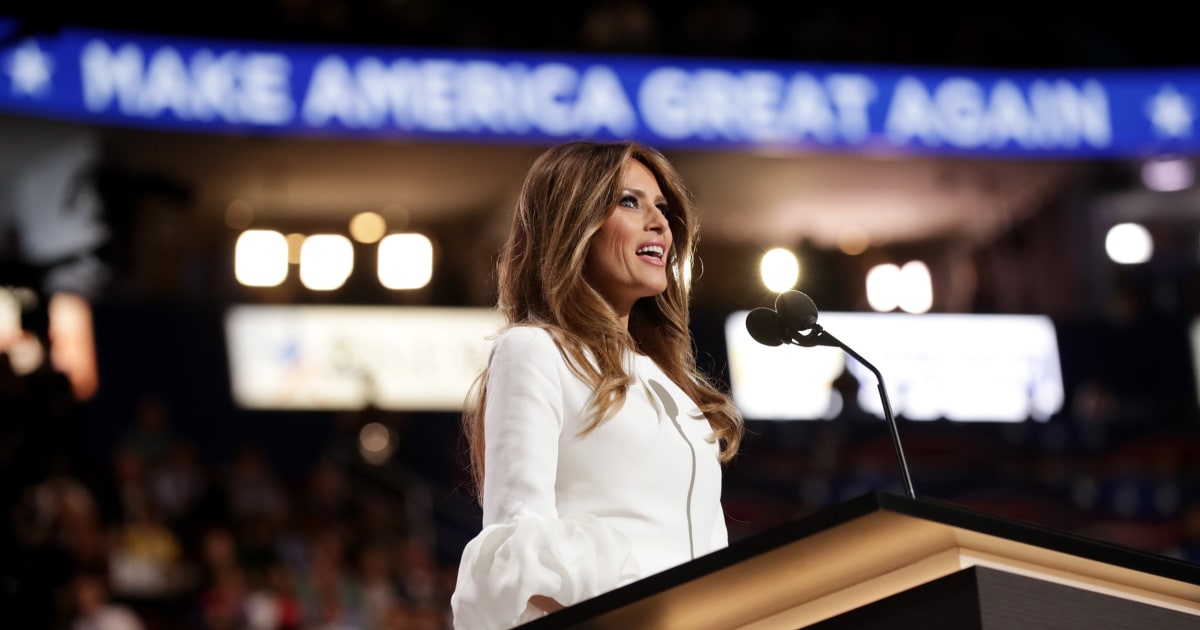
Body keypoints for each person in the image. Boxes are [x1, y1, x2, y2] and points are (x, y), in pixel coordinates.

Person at [451, 140, 743, 629]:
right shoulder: (536, 351)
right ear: (572, 224)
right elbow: (518, 547)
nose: (659, 223)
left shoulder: (676, 384)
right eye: (629, 202)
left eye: (663, 208)